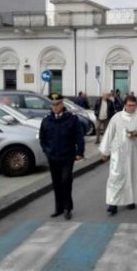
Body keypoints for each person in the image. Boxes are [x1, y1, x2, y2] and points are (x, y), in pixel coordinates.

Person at [39, 93, 85, 221]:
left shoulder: (72, 119)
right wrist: (47, 151)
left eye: (57, 104)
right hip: (53, 157)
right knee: (56, 183)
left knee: (66, 181)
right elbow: (42, 138)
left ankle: (67, 208)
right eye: (53, 105)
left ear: (62, 104)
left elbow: (79, 137)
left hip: (67, 156)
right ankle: (58, 208)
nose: (55, 107)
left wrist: (80, 152)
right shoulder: (46, 119)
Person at [99, 95, 137, 215]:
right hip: (118, 154)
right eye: (129, 105)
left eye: (134, 105)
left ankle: (131, 200)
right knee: (115, 178)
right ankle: (112, 204)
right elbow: (109, 134)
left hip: (134, 153)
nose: (132, 108)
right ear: (125, 105)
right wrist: (105, 152)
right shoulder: (116, 117)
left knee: (132, 177)